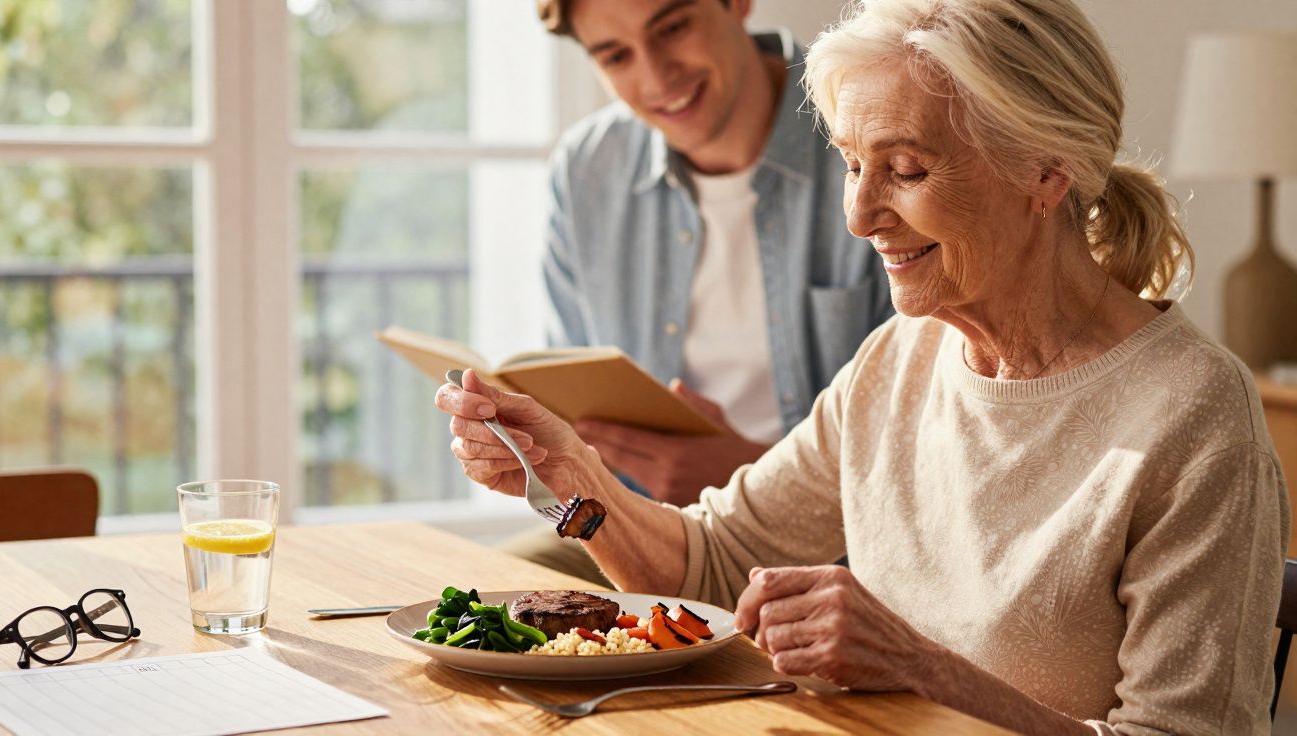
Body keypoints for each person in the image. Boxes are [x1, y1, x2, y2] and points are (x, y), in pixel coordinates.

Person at [439, 0, 1292, 731]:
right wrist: (572, 476)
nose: (858, 214)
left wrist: (923, 670)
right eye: (852, 165)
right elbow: (714, 564)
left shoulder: (1192, 414)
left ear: (1046, 169)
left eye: (906, 169)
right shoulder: (902, 355)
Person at [503, 0, 892, 585]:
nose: (657, 77)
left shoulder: (870, 137)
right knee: (487, 594)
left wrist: (755, 476)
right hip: (635, 521)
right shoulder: (588, 171)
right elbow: (573, 399)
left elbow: (932, 453)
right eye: (616, 56)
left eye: (673, 27)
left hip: (840, 548)